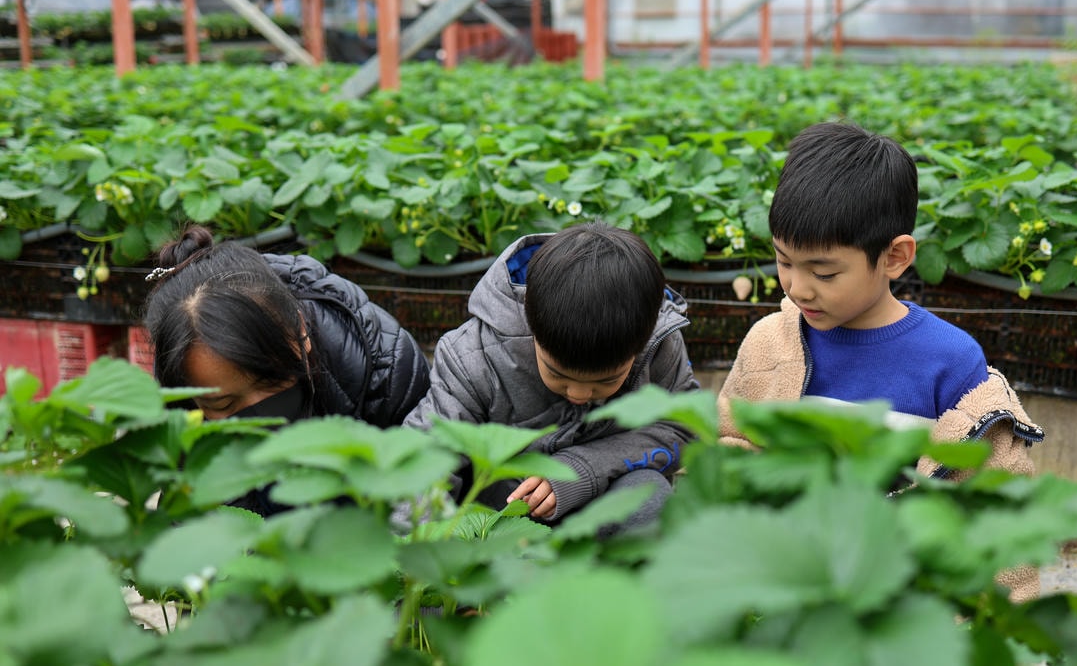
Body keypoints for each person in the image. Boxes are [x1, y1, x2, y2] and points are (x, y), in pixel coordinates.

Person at [717, 121, 1045, 601]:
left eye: (824, 272)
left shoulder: (950, 363)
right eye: (784, 261)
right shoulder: (771, 344)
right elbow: (729, 442)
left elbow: (1000, 512)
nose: (797, 287)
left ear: (894, 257)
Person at [403, 220, 700, 533]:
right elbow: (425, 459)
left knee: (648, 496)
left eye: (606, 381)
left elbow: (687, 428)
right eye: (558, 374)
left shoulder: (659, 344)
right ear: (532, 325)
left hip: (605, 505)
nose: (579, 393)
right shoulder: (474, 357)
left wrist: (586, 467)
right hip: (499, 520)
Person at [142, 225, 431, 513]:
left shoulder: (383, 366)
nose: (259, 412)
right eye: (223, 403)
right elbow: (198, 518)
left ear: (300, 331)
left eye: (271, 381)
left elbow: (424, 491)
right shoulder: (177, 397)